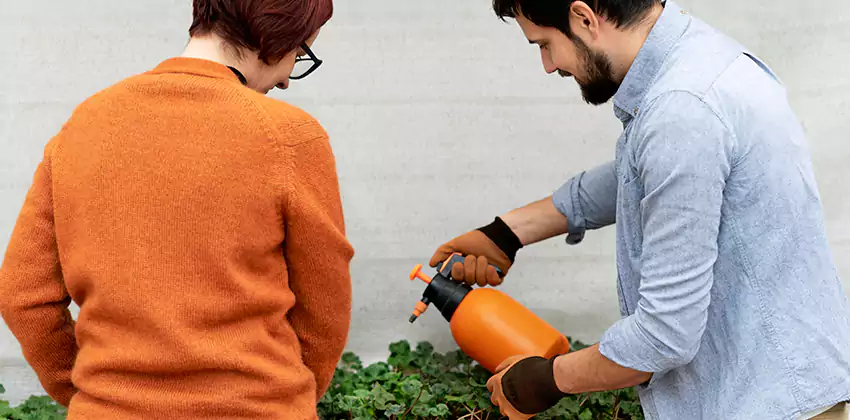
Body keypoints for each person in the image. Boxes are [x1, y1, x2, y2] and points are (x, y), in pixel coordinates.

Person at [430, 0, 850, 419]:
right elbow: (642, 171)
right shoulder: (702, 59)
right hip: (785, 389)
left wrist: (544, 380)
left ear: (583, 18)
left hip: (766, 404)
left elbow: (664, 336)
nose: (547, 65)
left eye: (544, 44)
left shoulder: (681, 110)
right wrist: (508, 233)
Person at [0, 1, 353, 419]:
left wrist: (93, 391)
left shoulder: (84, 124)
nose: (287, 82)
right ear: (276, 38)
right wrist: (285, 395)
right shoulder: (291, 136)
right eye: (300, 55)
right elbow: (324, 309)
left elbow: (23, 294)